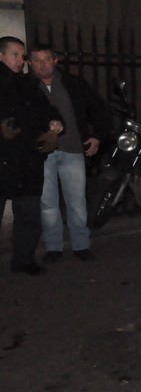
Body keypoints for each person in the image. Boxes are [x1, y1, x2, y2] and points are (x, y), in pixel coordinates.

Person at [28, 43, 110, 262]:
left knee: (77, 201)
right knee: (48, 204)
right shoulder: (25, 86)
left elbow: (98, 108)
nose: (42, 64)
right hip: (40, 153)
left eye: (47, 59)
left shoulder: (73, 84)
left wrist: (97, 135)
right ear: (29, 63)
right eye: (37, 60)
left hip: (73, 149)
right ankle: (53, 247)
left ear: (55, 60)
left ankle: (81, 244)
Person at [0, 36, 64, 275]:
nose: (21, 59)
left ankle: (24, 260)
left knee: (28, 213)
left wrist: (55, 125)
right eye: (15, 54)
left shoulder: (27, 85)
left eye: (22, 54)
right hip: (3, 160)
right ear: (1, 56)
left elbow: (45, 111)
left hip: (27, 160)